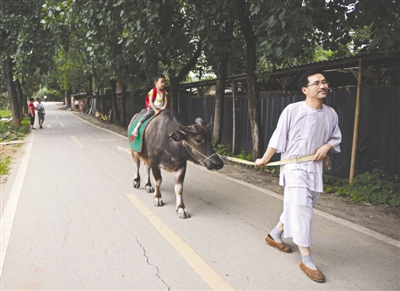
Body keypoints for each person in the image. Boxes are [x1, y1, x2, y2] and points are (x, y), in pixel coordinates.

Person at [254, 69, 342, 283]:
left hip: (315, 168)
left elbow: (336, 137)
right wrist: (264, 159)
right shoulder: (292, 110)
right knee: (302, 209)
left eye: (324, 82)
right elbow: (278, 137)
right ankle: (307, 258)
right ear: (305, 89)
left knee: (304, 204)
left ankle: (275, 233)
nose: (322, 86)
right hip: (294, 168)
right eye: (316, 83)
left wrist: (327, 146)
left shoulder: (331, 113)